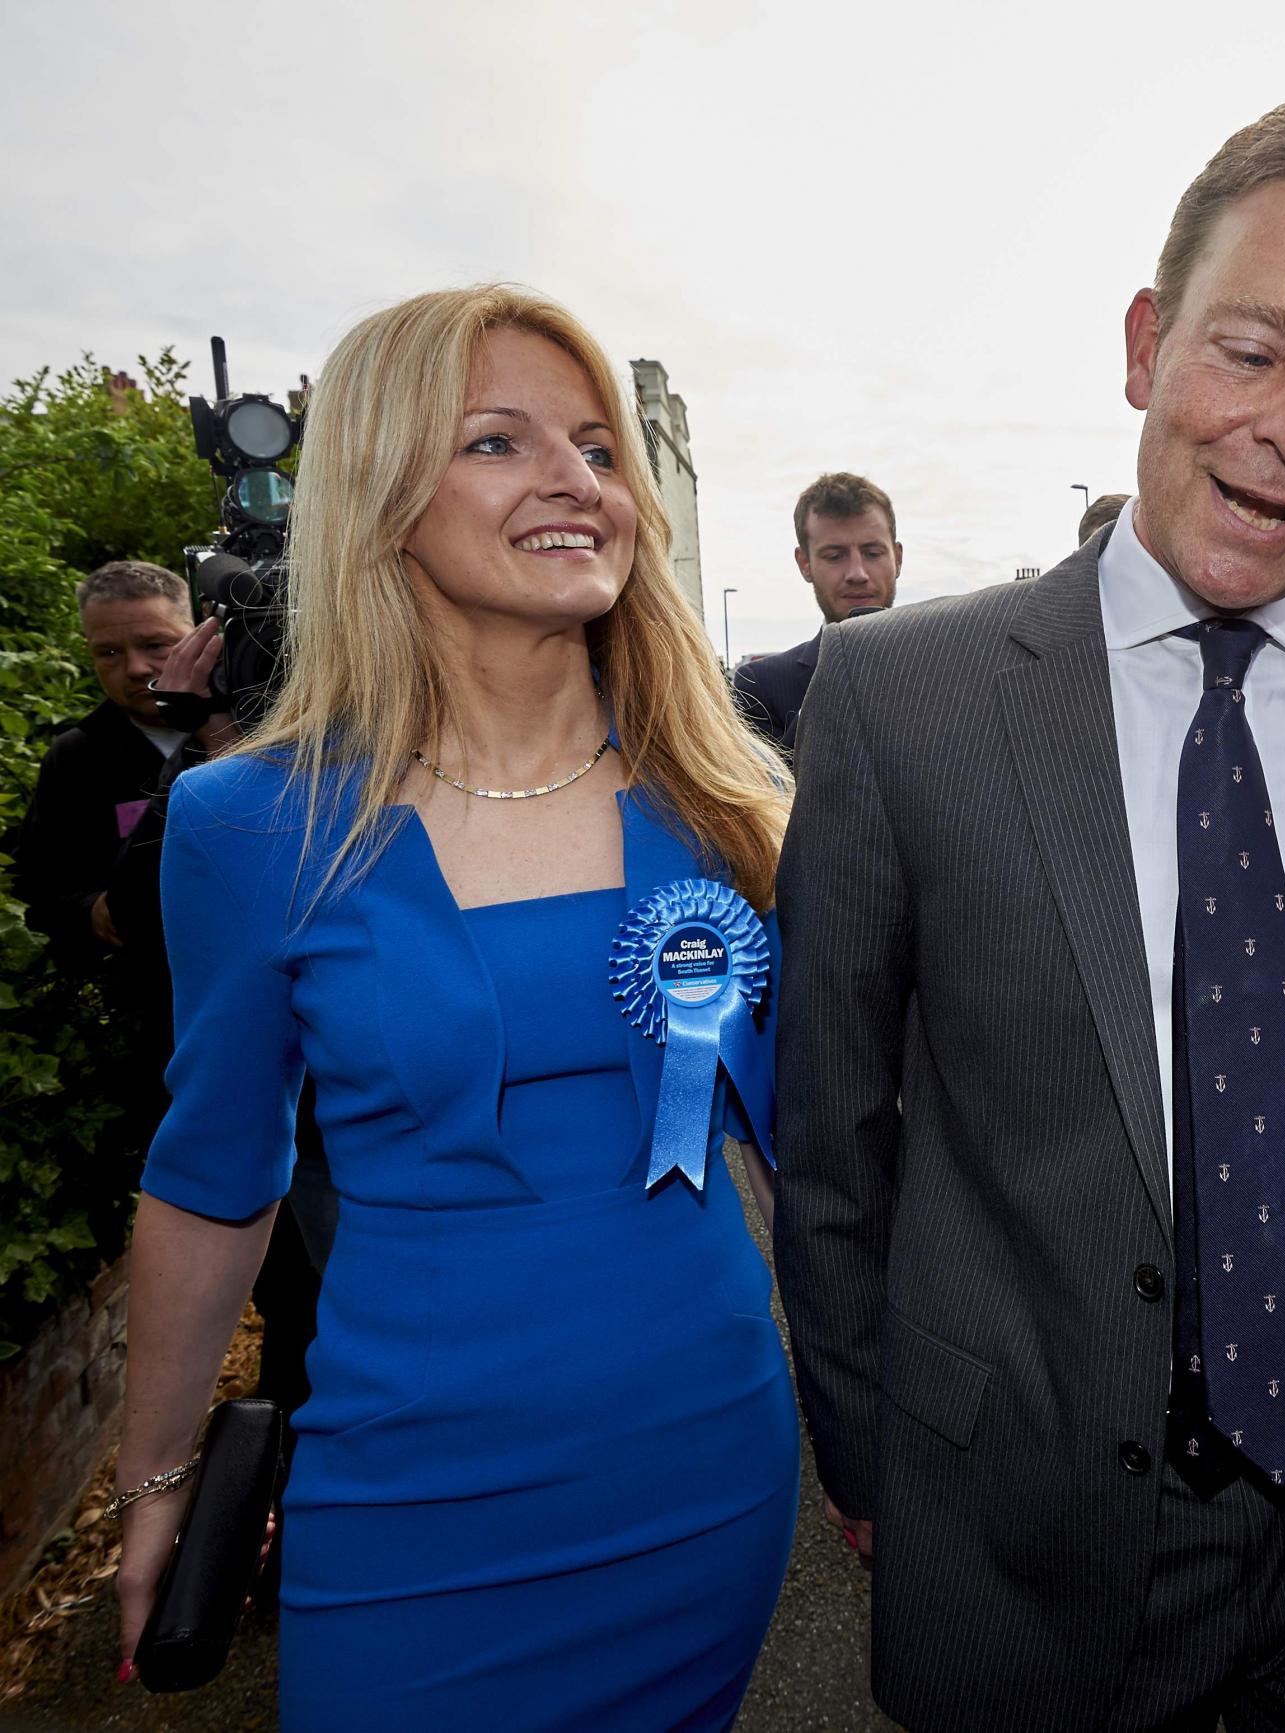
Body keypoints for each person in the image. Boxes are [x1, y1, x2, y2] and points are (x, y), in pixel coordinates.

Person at [774, 93, 1285, 1733]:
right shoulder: (901, 697)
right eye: (1251, 350)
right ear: (1146, 344)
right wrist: (871, 1449)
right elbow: (831, 1137)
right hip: (1045, 1500)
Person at [111, 285, 800, 1728]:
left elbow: (827, 1160)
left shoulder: (733, 812)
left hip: (701, 1470)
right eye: (499, 441)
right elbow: (210, 1180)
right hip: (409, 1494)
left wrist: (888, 1437)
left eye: (600, 448)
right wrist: (158, 1475)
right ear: (381, 495)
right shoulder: (246, 826)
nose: (573, 480)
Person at [20, 561, 211, 1045]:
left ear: (199, 633)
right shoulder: (78, 758)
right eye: (108, 652)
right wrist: (92, 911)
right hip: (162, 1009)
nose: (135, 669)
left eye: (155, 645)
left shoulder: (262, 726)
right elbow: (42, 891)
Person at [732, 471, 903, 748]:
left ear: (897, 558)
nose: (857, 573)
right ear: (805, 564)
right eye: (835, 556)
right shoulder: (760, 687)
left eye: (873, 553)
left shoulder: (951, 669)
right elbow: (768, 788)